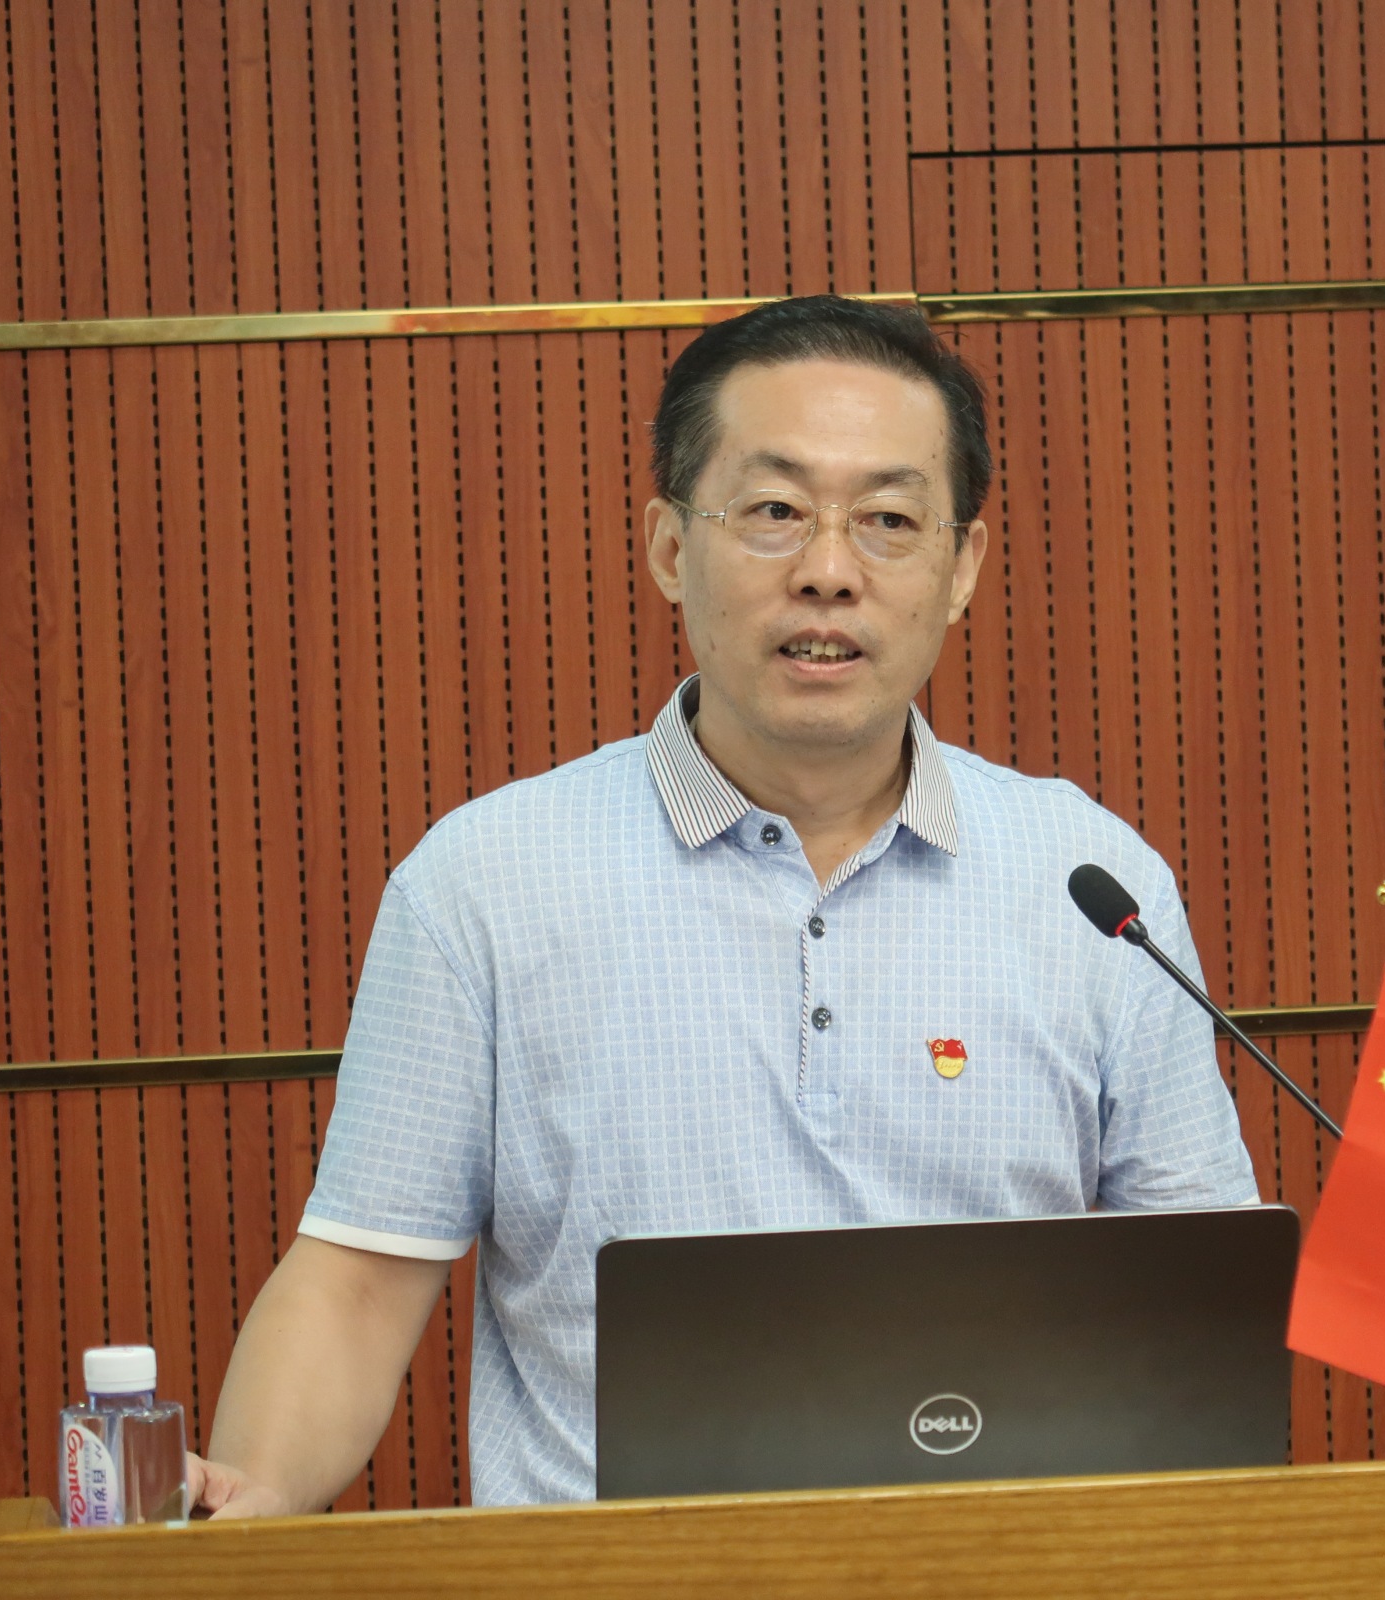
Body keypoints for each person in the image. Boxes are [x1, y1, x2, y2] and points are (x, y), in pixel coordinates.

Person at [185, 295, 1257, 1514]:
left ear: (962, 566)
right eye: (774, 511)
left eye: (890, 520)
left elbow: (1198, 1307)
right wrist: (247, 1515)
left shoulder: (1092, 885)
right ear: (667, 548)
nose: (829, 572)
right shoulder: (485, 883)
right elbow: (357, 1281)